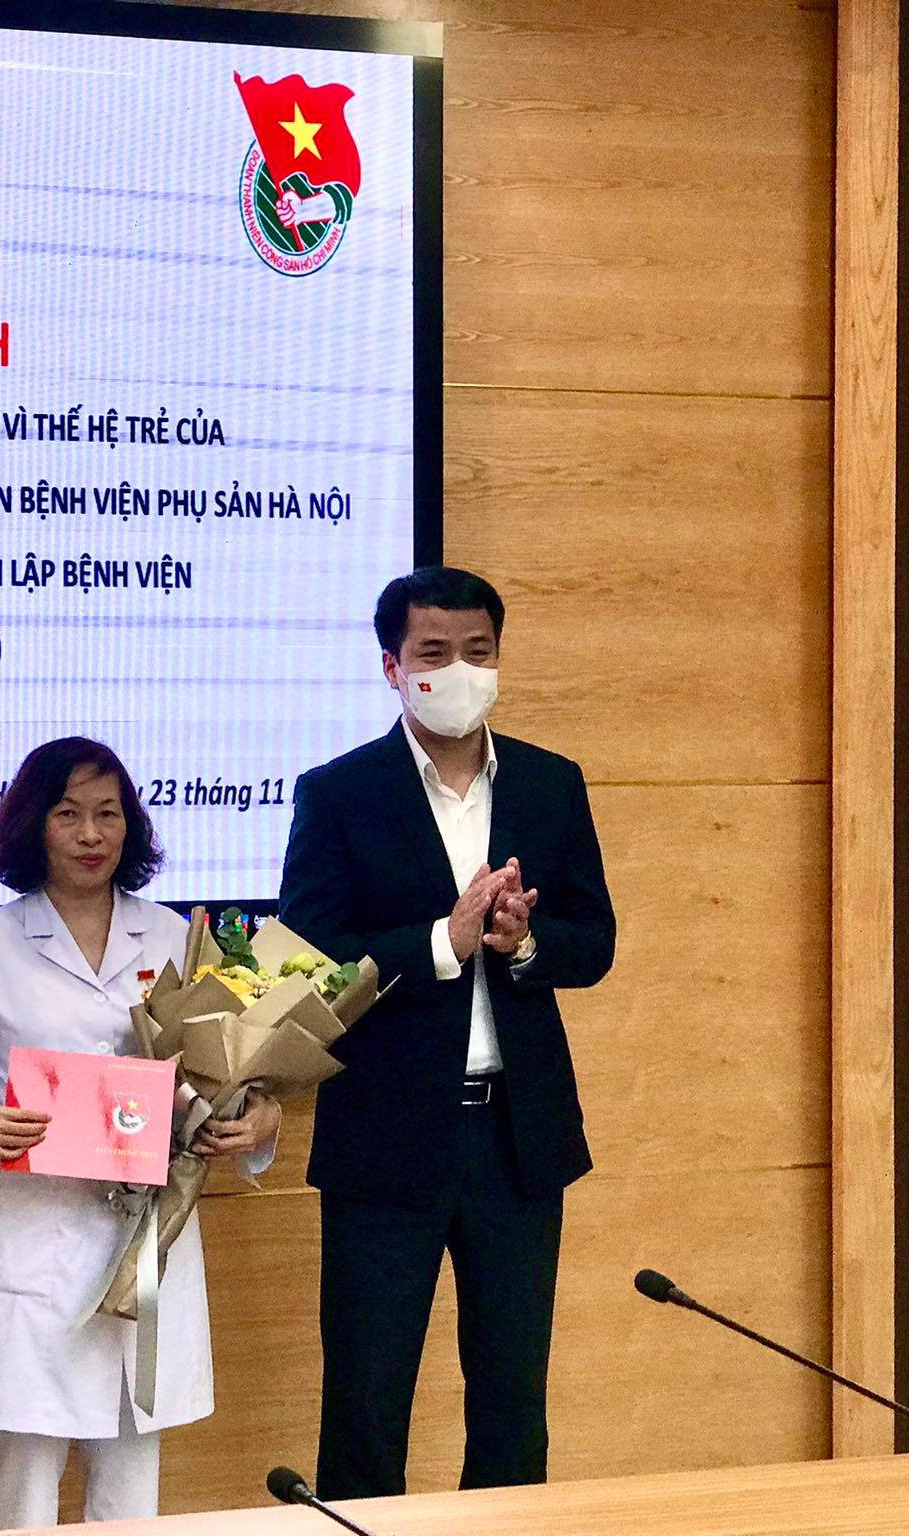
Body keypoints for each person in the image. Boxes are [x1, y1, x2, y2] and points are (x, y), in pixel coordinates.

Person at [279, 566, 615, 1499]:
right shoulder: (340, 793)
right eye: (435, 653)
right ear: (392, 666)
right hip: (385, 1143)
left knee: (513, 1407)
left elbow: (595, 941)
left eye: (479, 651)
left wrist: (524, 942)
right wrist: (442, 943)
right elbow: (308, 956)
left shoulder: (550, 783)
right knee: (366, 1405)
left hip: (517, 1138)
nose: (460, 671)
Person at [0, 737, 282, 1529]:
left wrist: (256, 1118)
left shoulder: (175, 940)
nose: (91, 834)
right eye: (68, 814)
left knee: (129, 1500)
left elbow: (231, 1068)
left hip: (144, 1242)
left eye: (108, 813)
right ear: (33, 825)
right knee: (22, 1495)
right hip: (33, 1239)